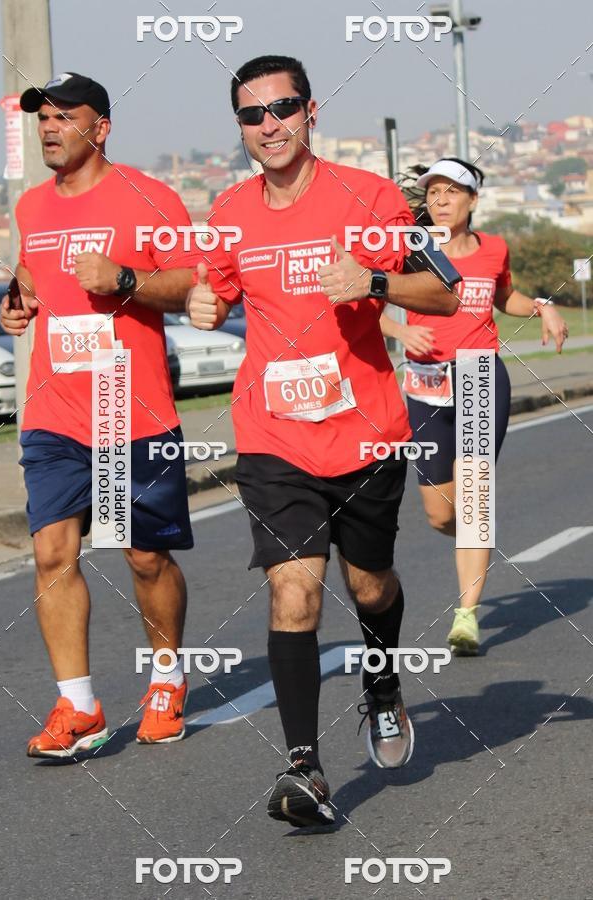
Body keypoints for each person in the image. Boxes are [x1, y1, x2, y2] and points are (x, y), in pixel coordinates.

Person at [187, 55, 458, 827]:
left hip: (366, 431)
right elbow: (214, 288)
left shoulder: (366, 197)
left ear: (311, 111)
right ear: (239, 126)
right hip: (273, 437)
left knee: (369, 585)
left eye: (283, 108)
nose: (268, 125)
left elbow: (444, 289)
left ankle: (382, 681)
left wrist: (373, 284)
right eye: (252, 115)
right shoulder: (231, 210)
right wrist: (203, 303)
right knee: (293, 588)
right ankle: (304, 769)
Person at [0, 73, 196, 757]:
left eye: (64, 117)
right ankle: (78, 705)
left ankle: (168, 677)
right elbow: (32, 278)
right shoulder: (30, 207)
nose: (49, 128)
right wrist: (17, 303)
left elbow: (191, 286)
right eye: (42, 119)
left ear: (101, 128)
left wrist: (126, 280)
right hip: (54, 411)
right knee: (53, 552)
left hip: (127, 408)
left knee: (144, 557)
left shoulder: (149, 197)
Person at [380, 157, 569, 656]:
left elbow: (504, 297)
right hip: (425, 386)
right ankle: (471, 536)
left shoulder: (494, 249)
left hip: (481, 376)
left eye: (451, 192)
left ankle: (466, 616)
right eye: (434, 193)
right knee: (442, 514)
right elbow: (368, 304)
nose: (441, 200)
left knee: (475, 497)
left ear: (472, 200)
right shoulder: (411, 252)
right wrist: (402, 331)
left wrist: (543, 306)